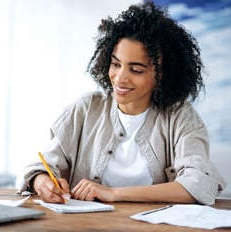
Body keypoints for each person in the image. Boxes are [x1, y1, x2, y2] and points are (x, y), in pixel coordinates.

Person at [16, 1, 226, 205]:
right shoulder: (86, 108)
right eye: (116, 64)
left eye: (136, 70)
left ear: (163, 74)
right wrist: (42, 181)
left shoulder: (181, 117)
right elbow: (39, 167)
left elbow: (199, 185)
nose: (120, 78)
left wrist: (114, 193)